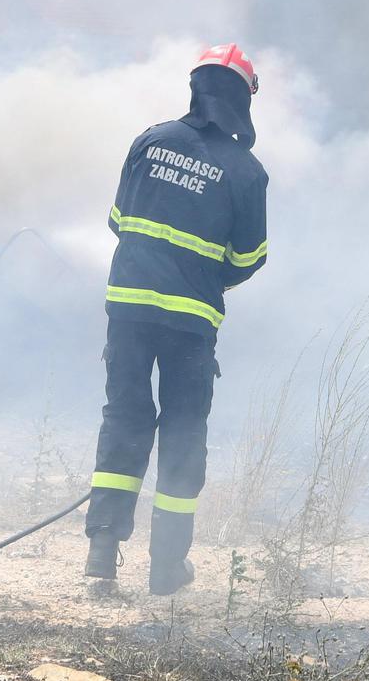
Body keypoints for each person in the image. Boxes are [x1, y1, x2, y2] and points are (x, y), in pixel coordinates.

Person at [84, 44, 269, 594]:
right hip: (191, 324)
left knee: (125, 418)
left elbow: (119, 220)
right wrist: (203, 277)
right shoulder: (246, 171)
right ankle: (166, 568)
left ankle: (101, 554)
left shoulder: (150, 140)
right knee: (184, 433)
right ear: (243, 97)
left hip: (129, 309)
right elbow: (248, 259)